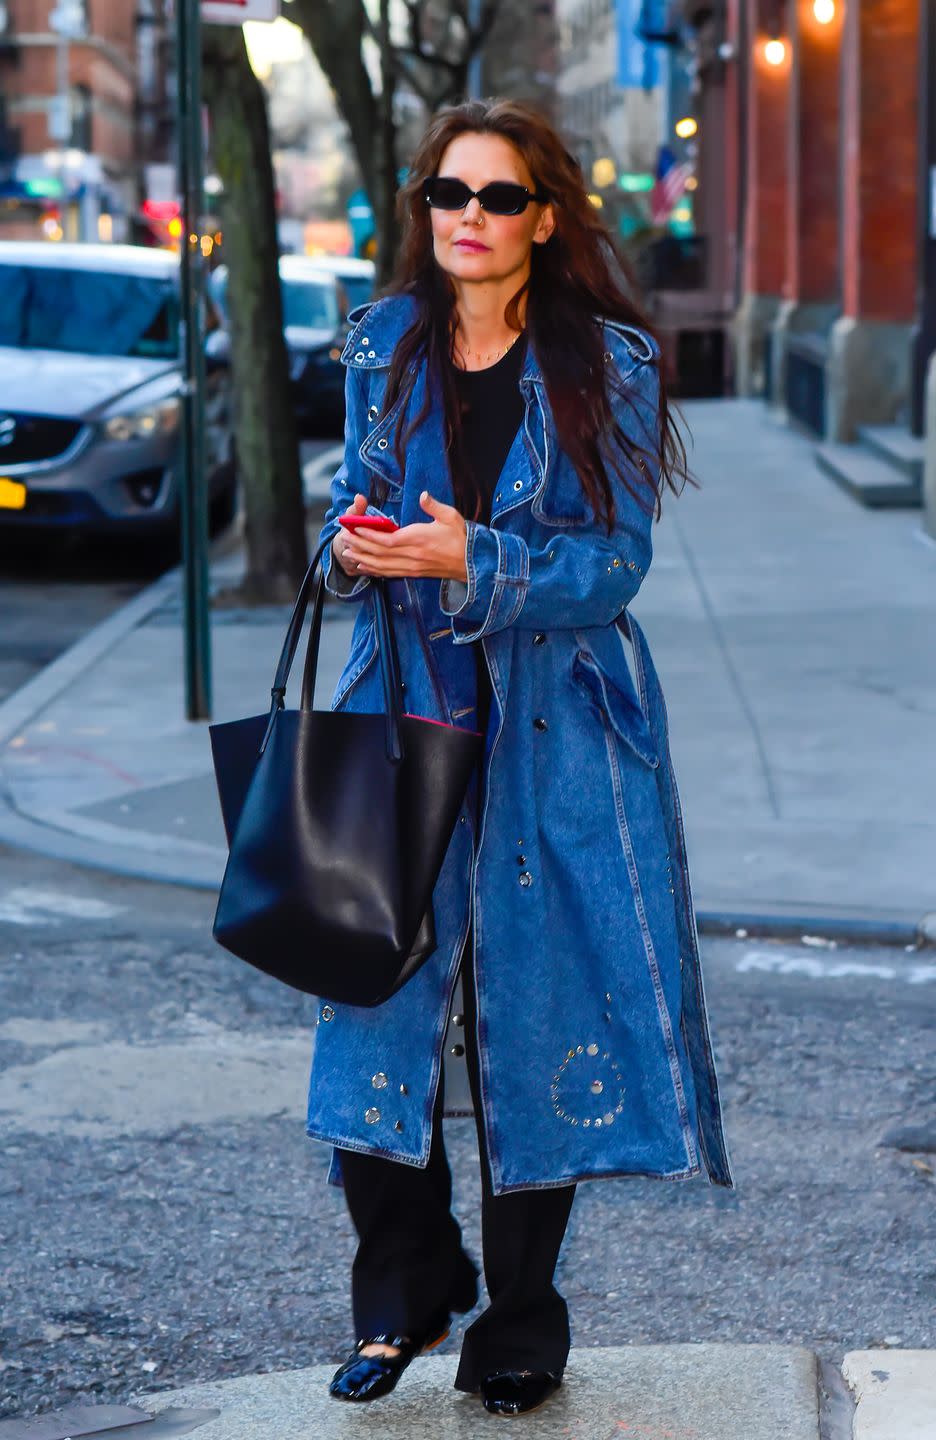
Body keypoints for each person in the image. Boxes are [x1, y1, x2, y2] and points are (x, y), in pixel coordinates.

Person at [306, 98, 734, 1420]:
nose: (471, 221)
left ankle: (521, 1319)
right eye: (449, 195)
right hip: (403, 720)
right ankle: (403, 1288)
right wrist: (360, 550)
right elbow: (343, 521)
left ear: (543, 219)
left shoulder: (602, 362)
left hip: (558, 730)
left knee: (527, 1022)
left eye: (499, 198)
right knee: (370, 1003)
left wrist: (470, 557)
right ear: (422, 211)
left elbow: (611, 566)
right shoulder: (383, 345)